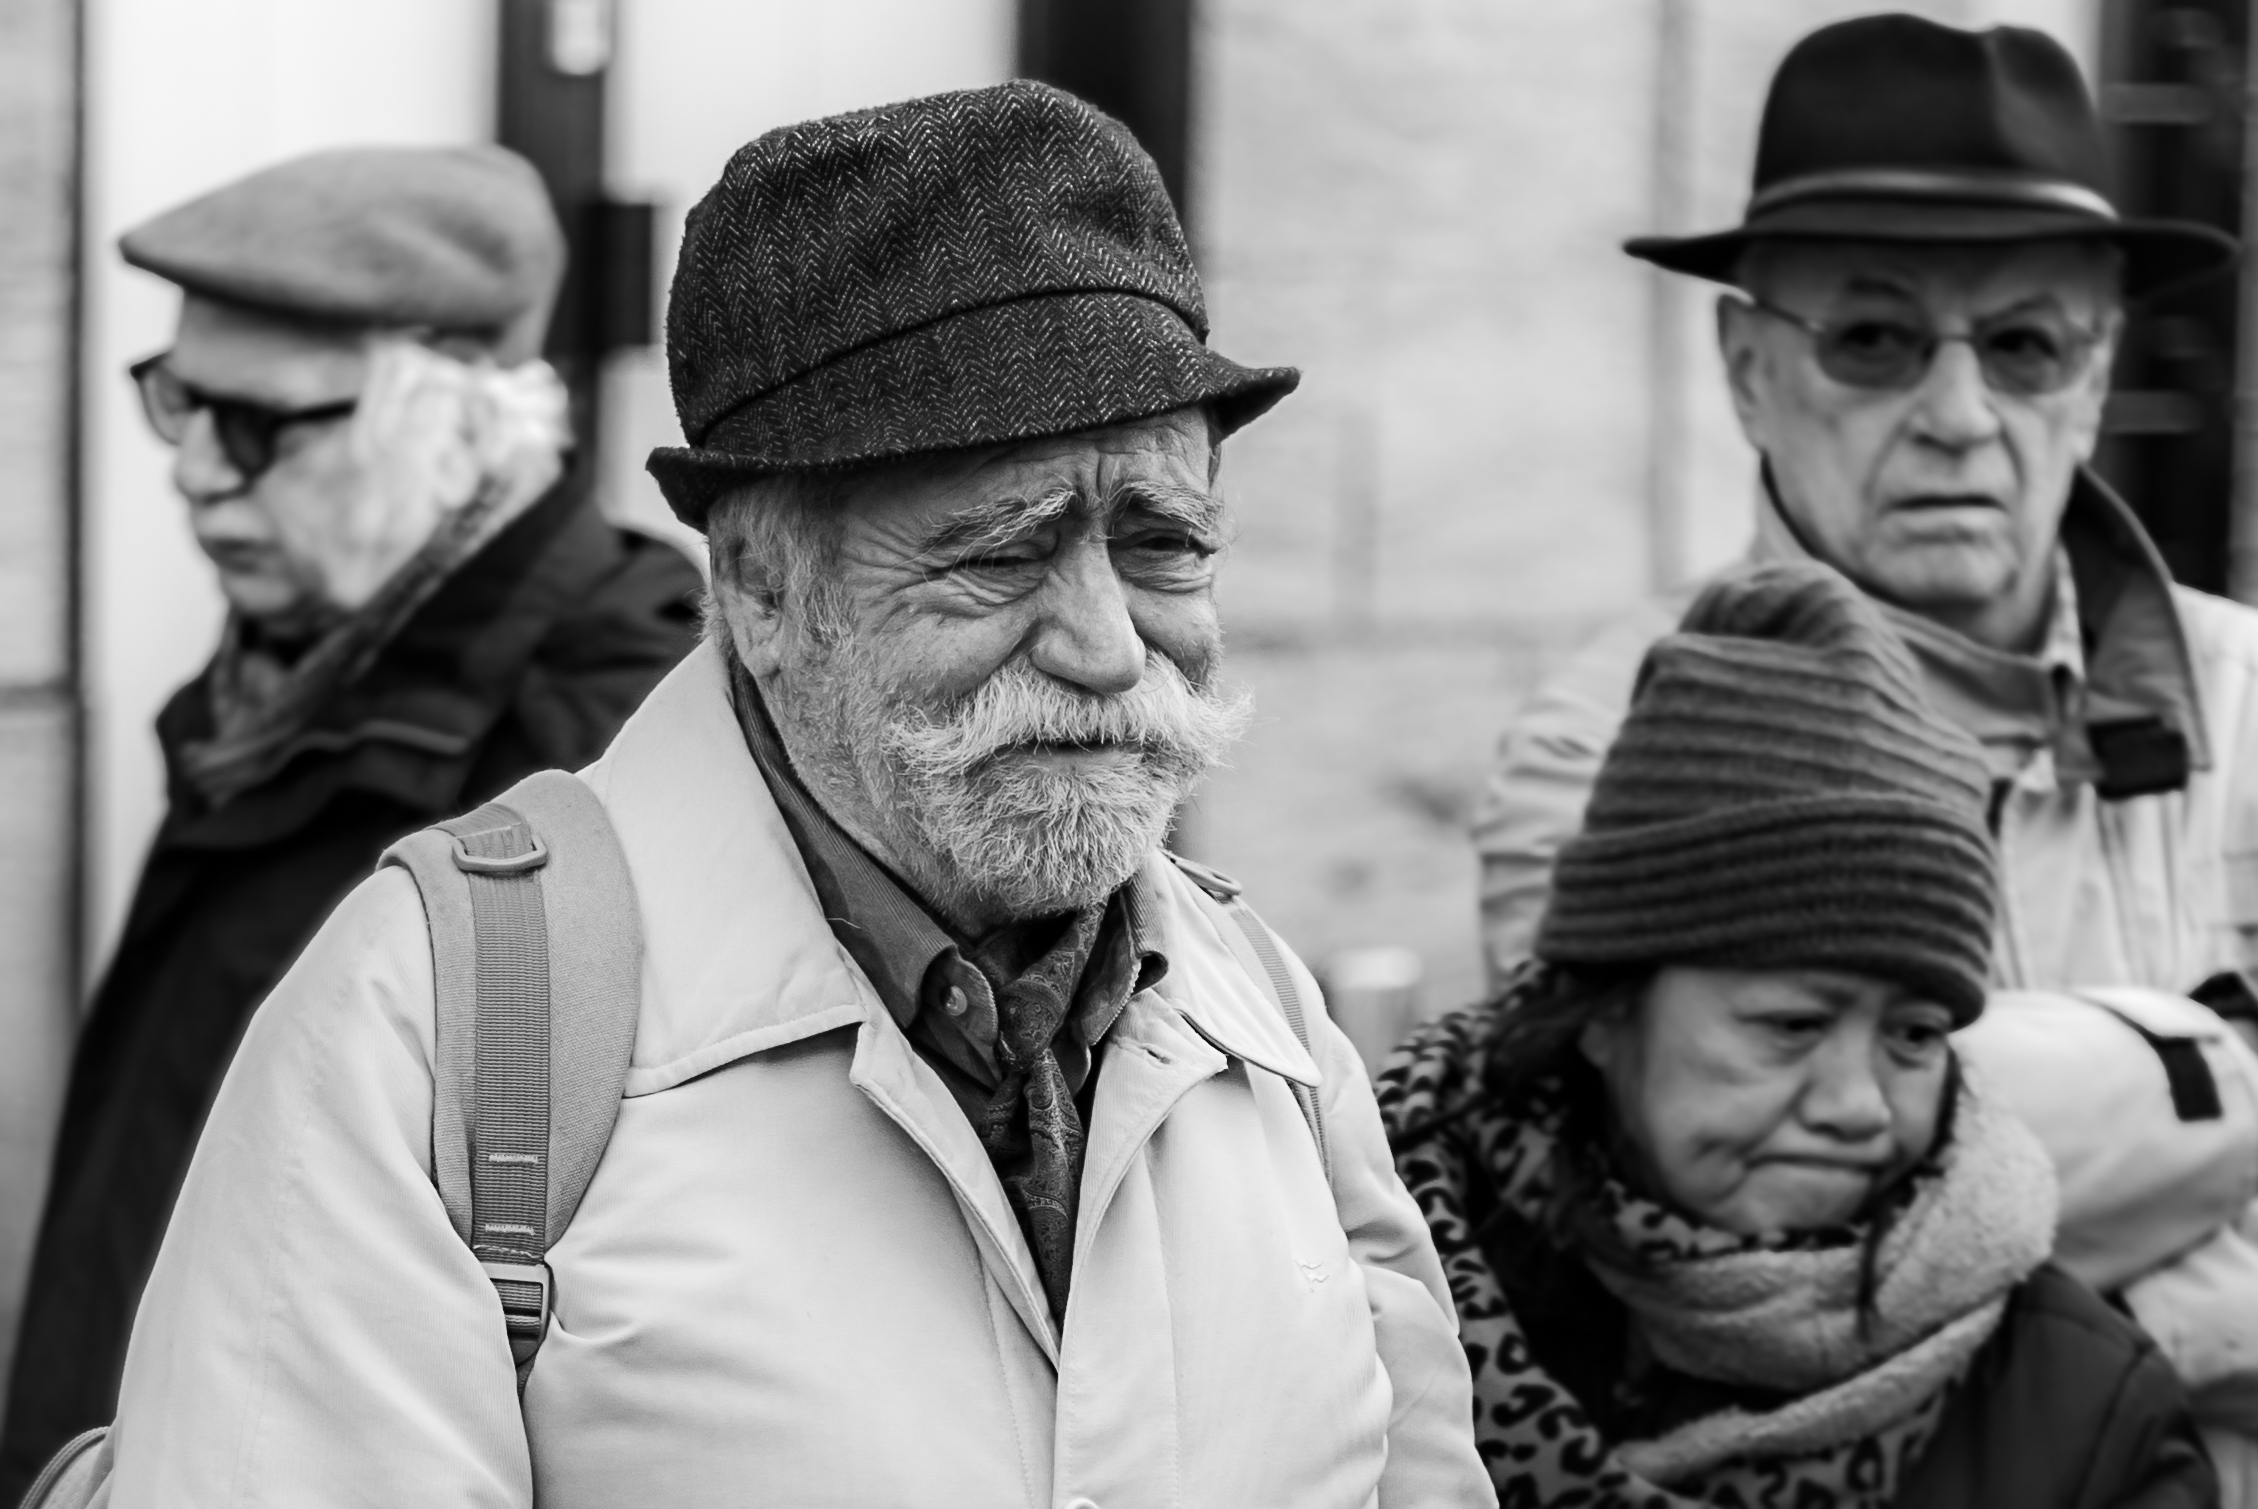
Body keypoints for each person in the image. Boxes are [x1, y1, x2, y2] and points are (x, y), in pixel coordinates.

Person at [90, 83, 1493, 1506]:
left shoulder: (1264, 1011)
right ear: (761, 584)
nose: (1109, 646)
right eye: (1001, 555)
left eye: (1165, 543)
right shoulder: (436, 1025)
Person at [1469, 14, 2258, 1491]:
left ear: (2094, 376)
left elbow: (1851, 1214)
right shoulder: (1612, 730)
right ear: (1748, 364)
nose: (1960, 417)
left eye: (2024, 345)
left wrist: (1990, 1225)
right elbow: (1710, 1251)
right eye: (1876, 340)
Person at [0, 145, 702, 1497]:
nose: (197, 473)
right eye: (178, 404)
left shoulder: (614, 725)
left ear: (454, 425)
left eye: (258, 426)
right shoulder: (298, 669)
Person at [1388, 561, 2215, 1507]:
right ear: (1606, 1010)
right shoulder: (1372, 1280)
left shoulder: (2083, 1411)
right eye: (1791, 1024)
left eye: (1913, 1034)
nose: (1859, 1106)